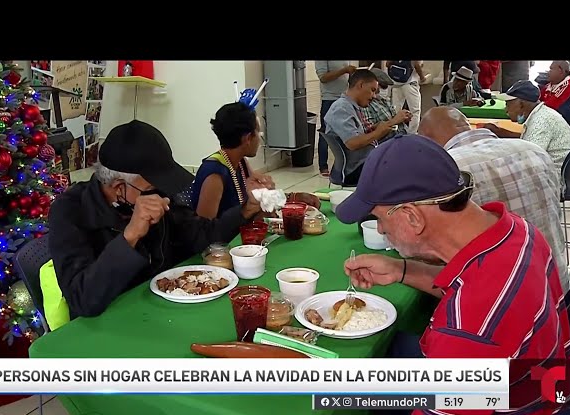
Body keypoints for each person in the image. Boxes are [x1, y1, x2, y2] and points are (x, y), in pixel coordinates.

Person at [336, 135, 570, 415]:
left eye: (380, 218)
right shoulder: (519, 231)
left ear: (412, 217)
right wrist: (402, 270)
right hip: (535, 388)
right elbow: (469, 282)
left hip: (508, 407)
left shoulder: (470, 327)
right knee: (388, 351)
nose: (382, 230)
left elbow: (477, 314)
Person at [48, 120, 267, 319]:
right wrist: (130, 236)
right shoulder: (70, 212)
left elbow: (201, 234)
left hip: (164, 310)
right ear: (118, 187)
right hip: (110, 326)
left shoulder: (158, 197)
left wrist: (246, 210)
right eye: (152, 187)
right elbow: (83, 300)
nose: (162, 194)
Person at [418, 106, 570, 289]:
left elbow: (430, 252)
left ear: (425, 138)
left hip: (507, 299)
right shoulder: (534, 150)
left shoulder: (446, 169)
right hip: (557, 283)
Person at [191, 102, 320, 220]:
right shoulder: (215, 175)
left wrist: (293, 198)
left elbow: (257, 200)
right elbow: (205, 232)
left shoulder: (240, 163)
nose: (260, 137)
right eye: (258, 131)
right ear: (247, 138)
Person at [324, 69, 398, 185]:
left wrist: (372, 129)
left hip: (363, 162)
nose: (374, 96)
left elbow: (355, 135)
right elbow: (352, 143)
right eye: (372, 90)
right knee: (403, 167)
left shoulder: (351, 107)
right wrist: (378, 132)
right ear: (361, 85)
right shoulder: (341, 108)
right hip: (355, 169)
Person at [484, 80, 570, 173]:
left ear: (521, 104)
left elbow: (530, 160)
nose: (506, 110)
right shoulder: (541, 113)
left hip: (552, 177)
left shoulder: (540, 121)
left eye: (508, 104)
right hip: (555, 172)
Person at [315, 61, 356, 177]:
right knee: (326, 132)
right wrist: (344, 70)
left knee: (347, 131)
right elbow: (323, 78)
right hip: (329, 98)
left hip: (345, 98)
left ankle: (346, 164)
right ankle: (323, 165)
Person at [357, 68, 412, 143]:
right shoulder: (365, 104)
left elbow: (395, 119)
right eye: (382, 86)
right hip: (389, 142)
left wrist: (404, 118)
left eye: (386, 87)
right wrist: (395, 120)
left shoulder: (384, 101)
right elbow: (370, 132)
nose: (382, 90)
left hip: (403, 136)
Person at [387, 60, 427, 134]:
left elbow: (388, 63)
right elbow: (416, 65)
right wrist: (422, 77)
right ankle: (412, 133)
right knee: (415, 111)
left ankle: (396, 130)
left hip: (396, 83)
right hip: (410, 84)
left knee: (396, 110)